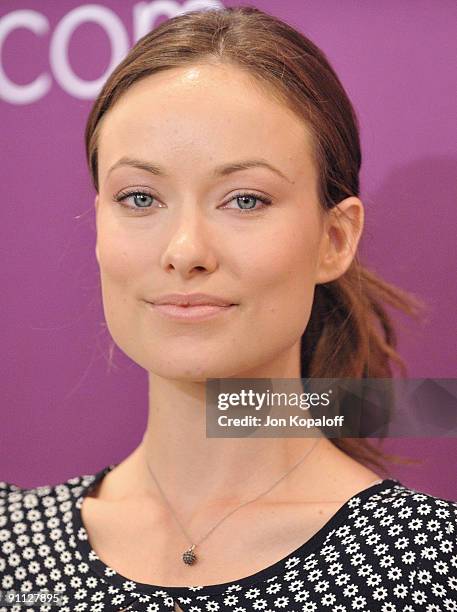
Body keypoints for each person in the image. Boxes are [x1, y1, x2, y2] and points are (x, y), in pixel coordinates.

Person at [1, 6, 456, 612]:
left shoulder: (432, 564)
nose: (185, 251)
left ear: (335, 239)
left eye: (245, 199)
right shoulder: (11, 543)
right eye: (139, 197)